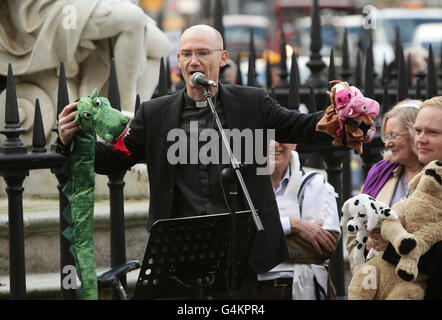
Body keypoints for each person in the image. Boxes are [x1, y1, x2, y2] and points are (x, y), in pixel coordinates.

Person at [57, 24, 335, 298]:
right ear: (178, 61)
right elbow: (114, 160)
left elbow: (301, 126)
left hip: (240, 256)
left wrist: (340, 117)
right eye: (186, 54)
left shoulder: (252, 103)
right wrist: (68, 141)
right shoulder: (155, 114)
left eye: (202, 52)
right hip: (180, 256)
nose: (194, 61)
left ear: (222, 58)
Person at [346, 100, 424, 274]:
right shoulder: (380, 173)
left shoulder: (433, 176)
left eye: (395, 136)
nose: (388, 143)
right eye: (386, 137)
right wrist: (363, 271)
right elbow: (354, 229)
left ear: (414, 134)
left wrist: (390, 243)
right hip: (377, 280)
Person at [256, 140, 340, 300]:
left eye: (282, 137)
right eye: (267, 136)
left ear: (294, 143)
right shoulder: (242, 186)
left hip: (304, 290)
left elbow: (326, 245)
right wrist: (294, 224)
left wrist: (260, 245)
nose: (275, 144)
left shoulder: (316, 184)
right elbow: (237, 243)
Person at [412, 96, 442, 300]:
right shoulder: (424, 178)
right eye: (417, 131)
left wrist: (392, 246)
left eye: (432, 132)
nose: (420, 139)